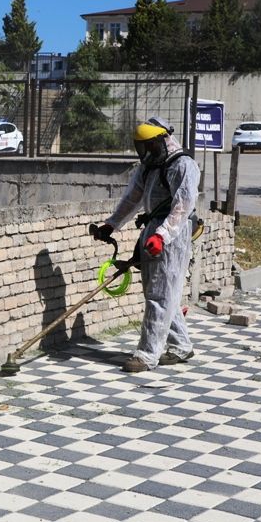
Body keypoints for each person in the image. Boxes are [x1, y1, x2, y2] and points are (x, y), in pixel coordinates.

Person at [92, 116, 200, 373]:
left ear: (162, 140)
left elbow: (182, 206)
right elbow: (133, 198)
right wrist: (111, 224)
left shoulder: (183, 165)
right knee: (160, 292)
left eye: (149, 145)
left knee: (159, 295)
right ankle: (181, 345)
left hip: (173, 233)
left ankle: (147, 355)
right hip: (153, 229)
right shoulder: (150, 165)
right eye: (142, 147)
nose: (146, 151)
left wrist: (162, 235)